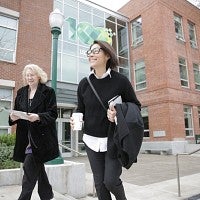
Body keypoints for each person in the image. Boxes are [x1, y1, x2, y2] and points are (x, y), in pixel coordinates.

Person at [70, 40, 141, 200]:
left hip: (112, 139)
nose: (91, 54)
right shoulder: (84, 84)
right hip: (90, 140)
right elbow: (80, 109)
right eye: (89, 51)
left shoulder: (121, 81)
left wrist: (118, 113)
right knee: (100, 185)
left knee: (110, 181)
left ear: (107, 55)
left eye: (96, 50)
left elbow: (136, 106)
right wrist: (75, 120)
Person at [9, 64, 59, 200]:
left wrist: (38, 117)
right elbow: (16, 112)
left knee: (29, 172)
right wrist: (12, 117)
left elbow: (53, 114)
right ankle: (47, 195)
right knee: (38, 167)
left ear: (39, 76)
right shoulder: (21, 92)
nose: (29, 77)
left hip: (41, 140)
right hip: (25, 139)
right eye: (27, 75)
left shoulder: (48, 92)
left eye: (32, 75)